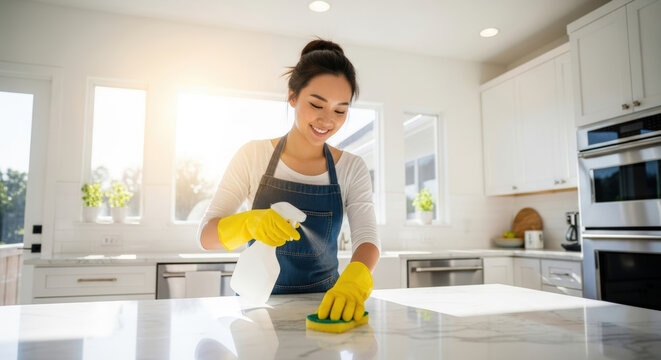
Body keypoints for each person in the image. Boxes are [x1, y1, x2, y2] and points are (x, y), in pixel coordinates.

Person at [198, 39, 380, 323]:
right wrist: (250, 223)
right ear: (293, 97)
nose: (326, 120)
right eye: (316, 104)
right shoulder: (252, 155)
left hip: (325, 309)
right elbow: (206, 237)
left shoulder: (352, 168)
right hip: (255, 311)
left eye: (340, 110)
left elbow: (367, 241)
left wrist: (354, 281)